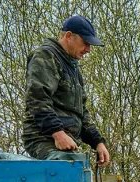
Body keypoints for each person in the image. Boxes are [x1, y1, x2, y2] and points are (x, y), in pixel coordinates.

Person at [22, 15, 111, 165]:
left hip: (67, 141)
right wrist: (57, 133)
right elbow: (37, 98)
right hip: (44, 138)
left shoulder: (73, 69)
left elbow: (82, 112)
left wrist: (98, 142)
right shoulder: (46, 56)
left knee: (81, 169)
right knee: (66, 170)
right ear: (69, 36)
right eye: (85, 43)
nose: (88, 49)